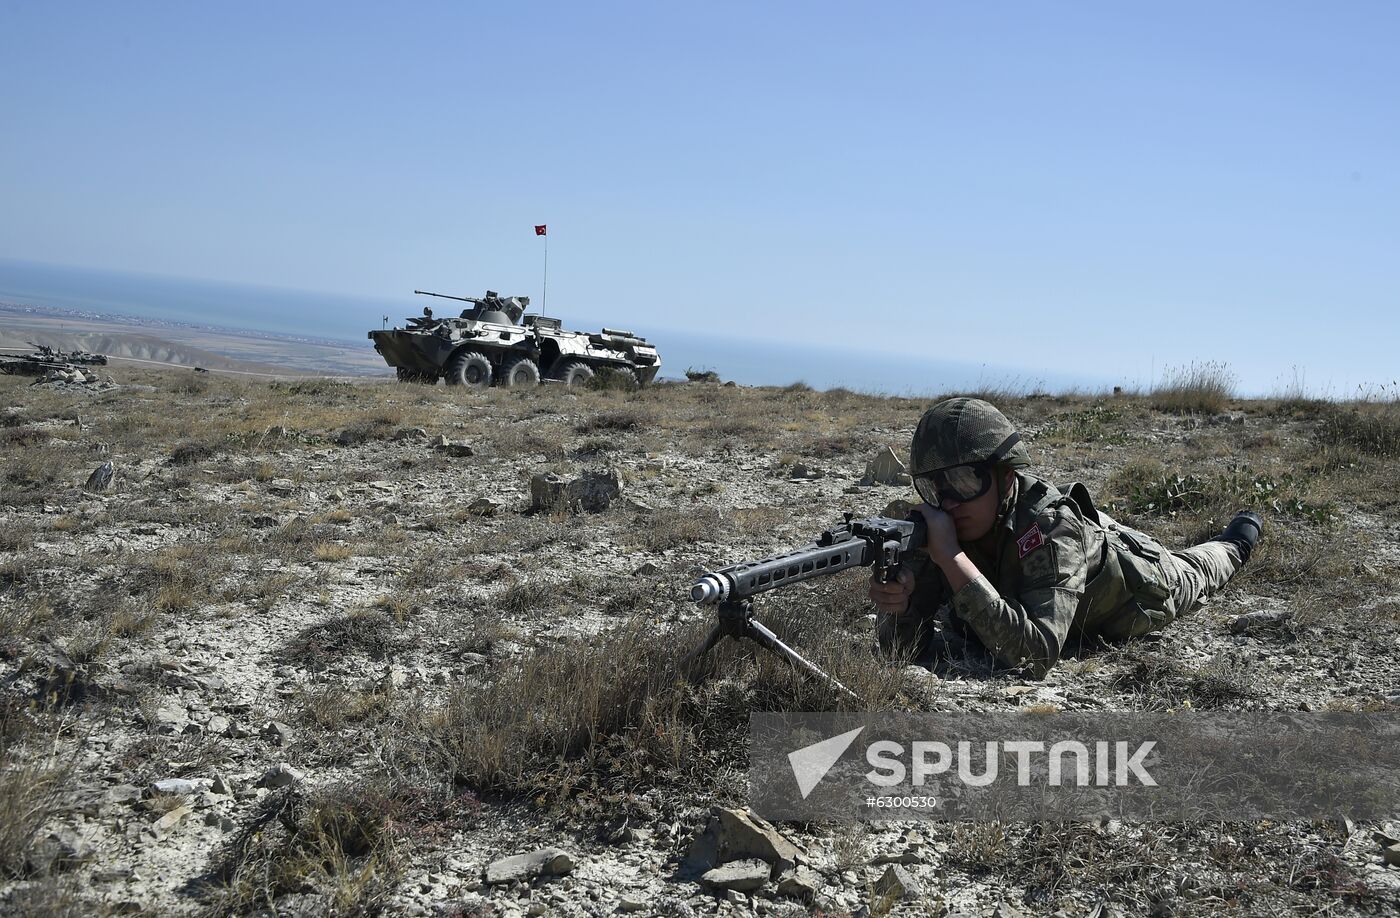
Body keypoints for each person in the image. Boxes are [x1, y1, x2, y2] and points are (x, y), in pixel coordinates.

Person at [868, 397, 1263, 678]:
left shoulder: (1051, 530)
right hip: (1084, 543)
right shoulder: (947, 524)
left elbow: (1034, 655)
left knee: (1203, 566)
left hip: (1145, 582)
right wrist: (899, 608)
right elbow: (901, 650)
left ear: (1006, 476)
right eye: (933, 487)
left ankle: (1241, 535)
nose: (948, 501)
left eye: (964, 480)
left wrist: (952, 559)